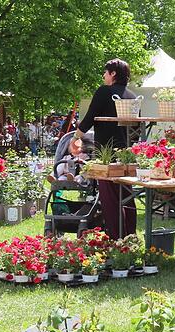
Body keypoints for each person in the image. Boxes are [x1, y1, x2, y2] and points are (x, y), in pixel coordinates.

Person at [73, 58, 137, 238]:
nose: (103, 75)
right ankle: (130, 236)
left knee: (110, 199)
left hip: (106, 155)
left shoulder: (104, 92)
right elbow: (137, 129)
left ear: (113, 73)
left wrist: (75, 138)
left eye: (105, 72)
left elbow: (88, 119)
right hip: (127, 155)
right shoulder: (132, 97)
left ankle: (117, 239)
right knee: (127, 196)